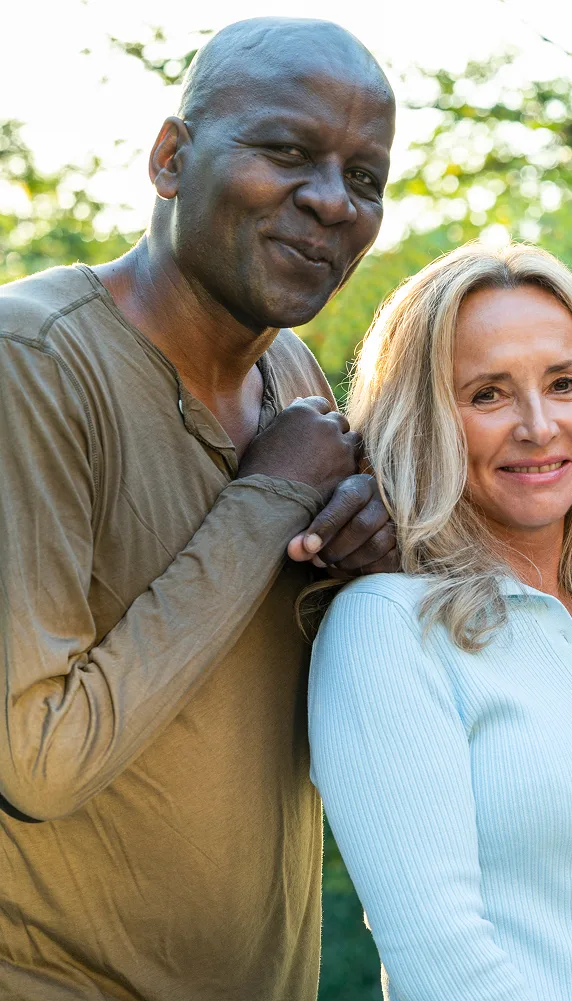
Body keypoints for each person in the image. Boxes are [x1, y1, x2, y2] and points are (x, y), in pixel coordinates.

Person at [0, 18, 400, 999]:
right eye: (287, 151)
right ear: (172, 158)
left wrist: (375, 558)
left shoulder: (291, 378)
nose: (329, 200)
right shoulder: (32, 363)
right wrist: (268, 497)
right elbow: (37, 761)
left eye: (365, 176)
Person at [307, 242, 572, 1001]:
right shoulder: (385, 629)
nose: (539, 426)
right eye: (487, 394)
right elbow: (439, 952)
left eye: (564, 383)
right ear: (426, 420)